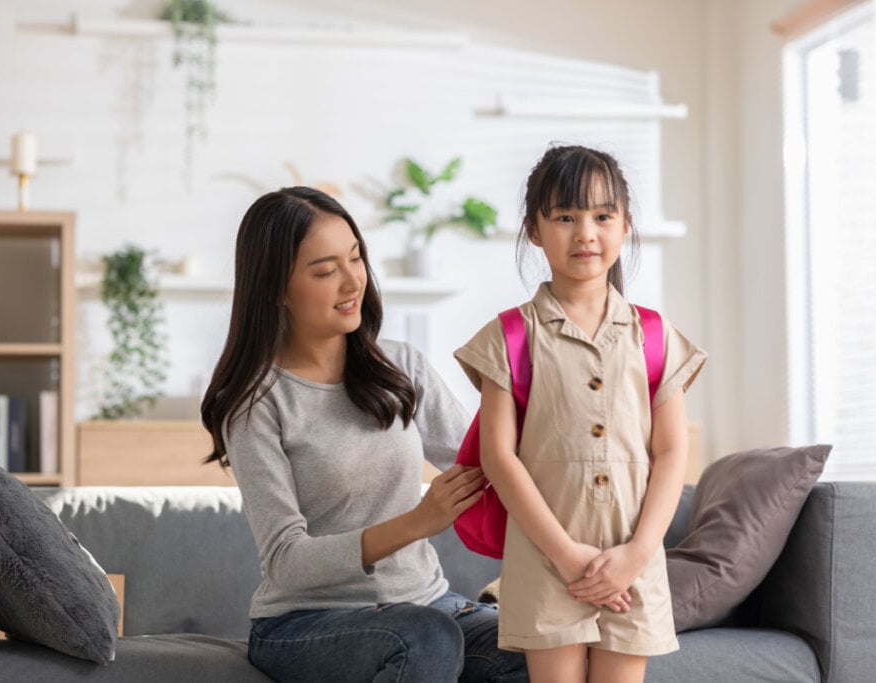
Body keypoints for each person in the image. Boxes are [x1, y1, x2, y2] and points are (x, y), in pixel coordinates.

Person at [200, 186, 529, 682]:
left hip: (430, 605)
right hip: (308, 624)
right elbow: (287, 561)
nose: (352, 280)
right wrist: (419, 521)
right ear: (274, 287)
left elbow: (491, 465)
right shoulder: (256, 403)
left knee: (543, 646)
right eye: (325, 270)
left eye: (356, 257)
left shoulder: (401, 367)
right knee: (425, 637)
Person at [454, 145, 707, 683]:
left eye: (602, 216)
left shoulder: (656, 336)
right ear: (534, 230)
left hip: (633, 559)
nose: (585, 233)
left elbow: (671, 451)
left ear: (626, 225)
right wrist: (568, 557)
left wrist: (638, 555)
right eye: (565, 217)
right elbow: (499, 458)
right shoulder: (508, 336)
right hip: (546, 561)